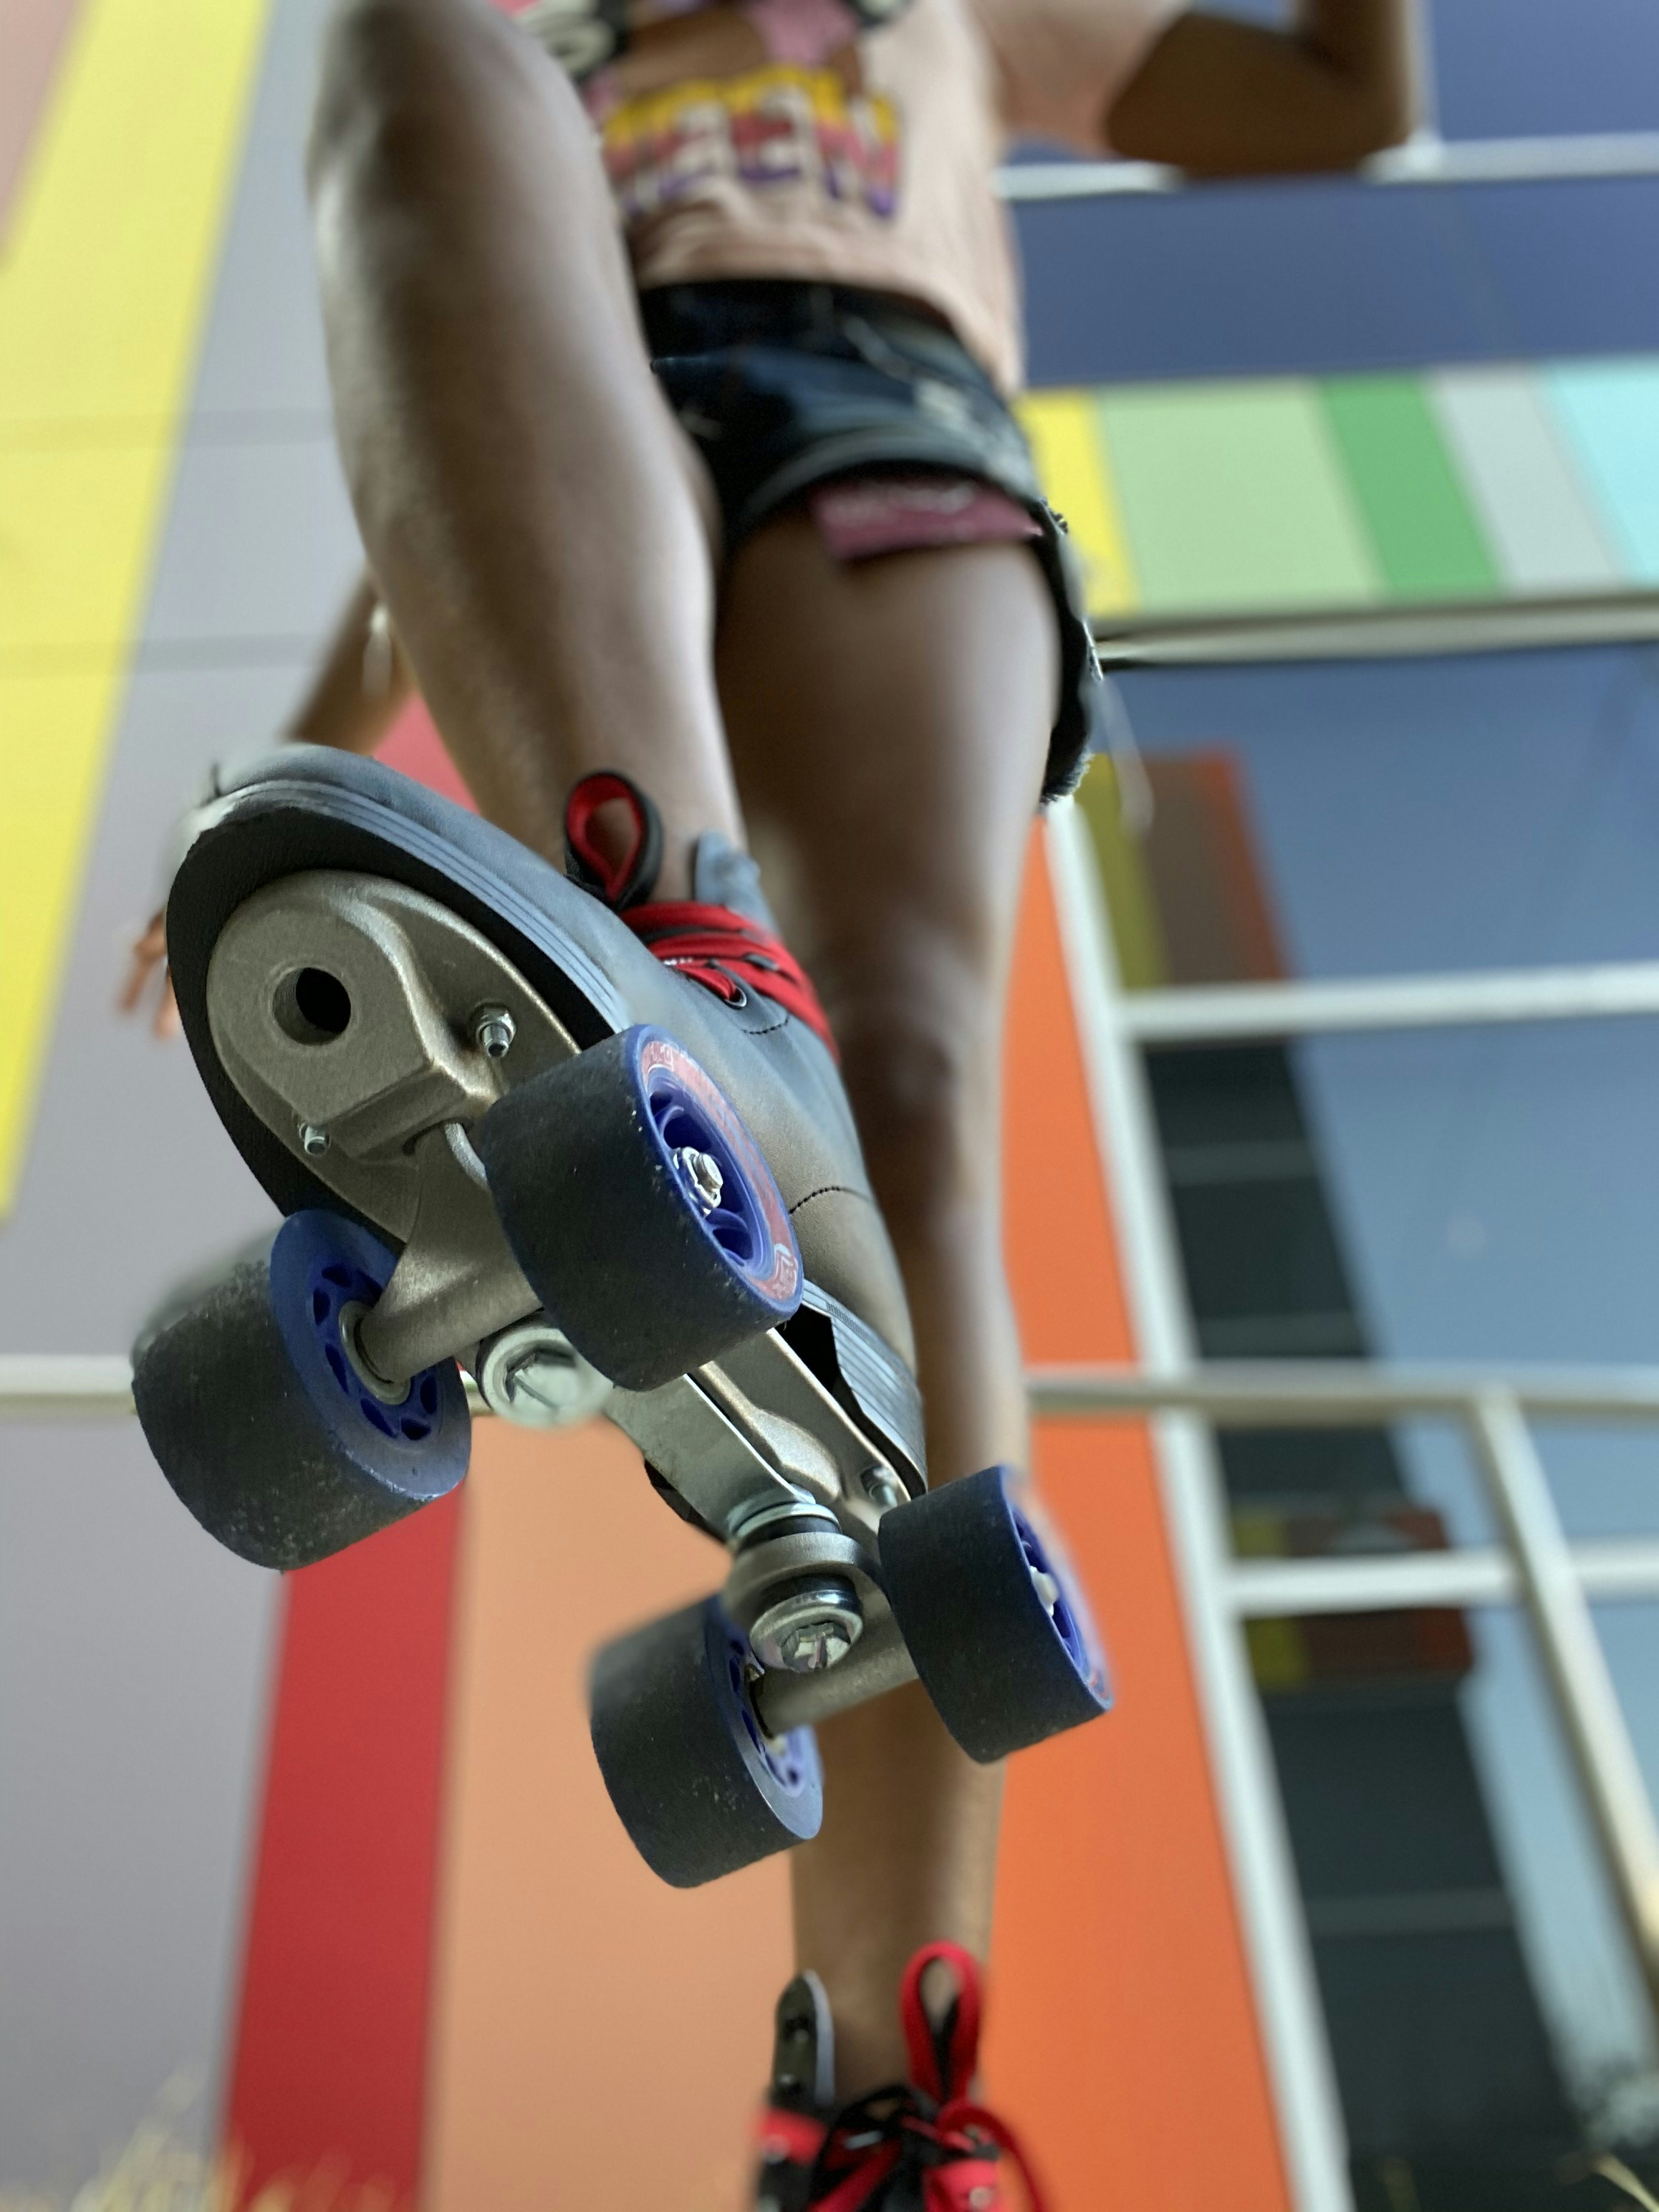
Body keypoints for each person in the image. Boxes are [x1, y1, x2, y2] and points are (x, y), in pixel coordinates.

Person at [123, 0, 1410, 2196]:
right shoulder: (552, 50)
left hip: (878, 419)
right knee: (406, 37)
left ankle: (884, 2107)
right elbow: (439, 384)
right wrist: (301, 728)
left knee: (903, 1078)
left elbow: (1340, 102)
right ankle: (686, 952)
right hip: (583, 406)